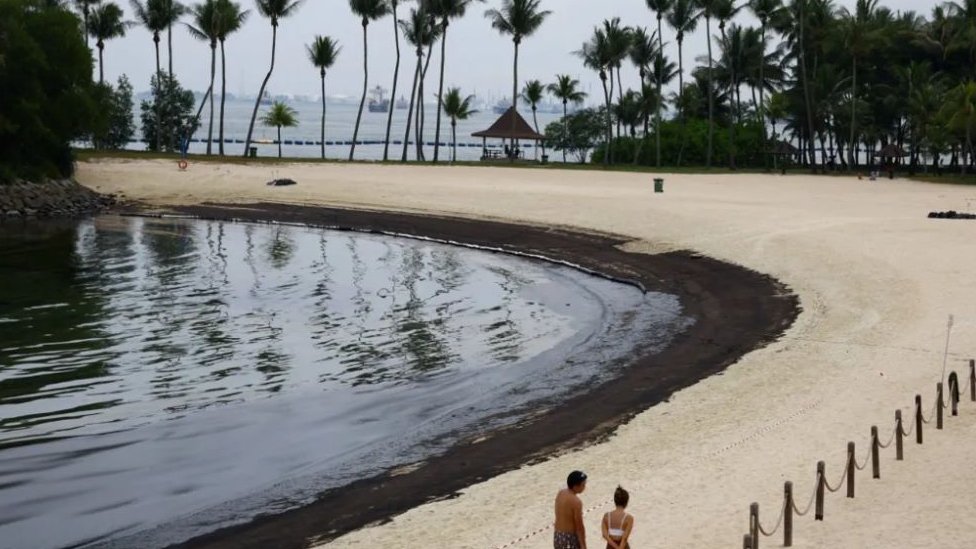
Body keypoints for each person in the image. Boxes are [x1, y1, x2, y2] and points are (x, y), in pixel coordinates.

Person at [554, 470, 587, 549]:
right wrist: (583, 545)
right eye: (583, 485)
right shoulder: (576, 502)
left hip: (558, 535)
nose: (584, 487)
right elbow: (579, 526)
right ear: (575, 486)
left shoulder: (561, 493)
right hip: (569, 538)